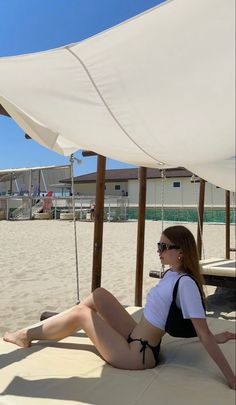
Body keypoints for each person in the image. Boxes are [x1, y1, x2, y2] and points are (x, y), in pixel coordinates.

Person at [3, 226, 236, 389]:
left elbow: (200, 330)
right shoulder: (172, 274)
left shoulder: (185, 285)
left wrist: (231, 379)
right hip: (137, 336)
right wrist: (218, 336)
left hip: (138, 355)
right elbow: (191, 326)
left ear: (181, 252)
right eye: (159, 245)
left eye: (164, 246)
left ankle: (26, 335)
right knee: (99, 295)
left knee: (82, 312)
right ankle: (65, 321)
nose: (158, 250)